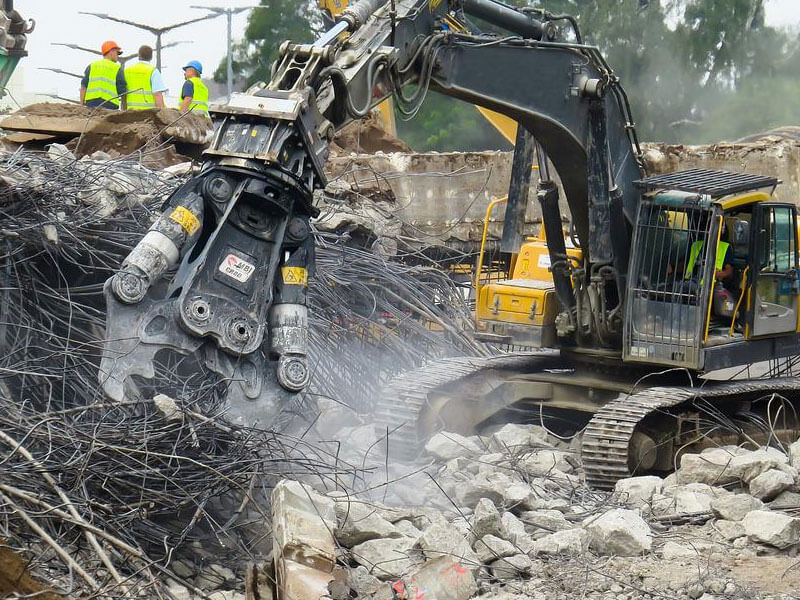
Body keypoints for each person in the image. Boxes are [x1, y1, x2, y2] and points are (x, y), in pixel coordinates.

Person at [80, 41, 127, 110]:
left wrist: (81, 106)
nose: (118, 56)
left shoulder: (92, 65)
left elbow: (83, 87)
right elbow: (122, 91)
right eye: (117, 53)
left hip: (91, 104)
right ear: (111, 52)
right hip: (110, 105)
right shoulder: (117, 68)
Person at [123, 45, 167, 110]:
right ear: (151, 57)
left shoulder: (127, 71)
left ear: (139, 55)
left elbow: (123, 94)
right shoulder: (153, 71)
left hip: (130, 112)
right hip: (148, 114)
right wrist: (163, 114)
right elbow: (157, 94)